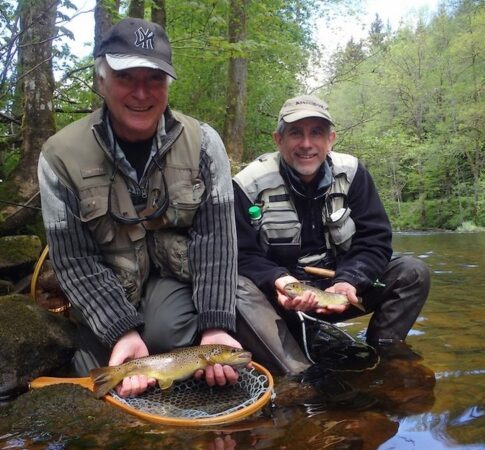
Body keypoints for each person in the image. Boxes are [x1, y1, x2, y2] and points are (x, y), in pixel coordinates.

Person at [37, 18, 242, 396]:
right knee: (101, 373)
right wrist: (121, 331)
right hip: (106, 287)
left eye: (155, 79)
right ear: (101, 81)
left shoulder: (203, 143)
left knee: (168, 336)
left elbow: (217, 241)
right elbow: (73, 260)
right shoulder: (58, 157)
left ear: (168, 84)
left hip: (173, 285)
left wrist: (216, 326)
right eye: (126, 77)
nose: (142, 93)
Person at [233, 94, 431, 375]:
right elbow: (241, 255)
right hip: (278, 300)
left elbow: (374, 240)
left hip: (339, 291)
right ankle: (298, 373)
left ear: (331, 139)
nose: (306, 144)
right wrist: (277, 280)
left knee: (412, 272)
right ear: (278, 140)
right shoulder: (248, 185)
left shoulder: (353, 174)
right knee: (235, 289)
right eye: (295, 133)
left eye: (317, 133)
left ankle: (385, 357)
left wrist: (349, 281)